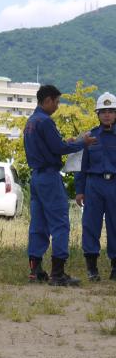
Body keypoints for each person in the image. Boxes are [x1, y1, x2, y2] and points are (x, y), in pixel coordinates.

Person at [24, 84, 94, 286]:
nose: (57, 106)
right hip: (49, 177)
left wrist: (65, 141)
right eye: (56, 101)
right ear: (48, 101)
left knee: (38, 224)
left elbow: (51, 146)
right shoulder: (45, 122)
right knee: (60, 223)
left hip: (36, 177)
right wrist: (82, 142)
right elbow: (59, 148)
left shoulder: (31, 122)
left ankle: (34, 270)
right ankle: (58, 273)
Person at [75, 92, 116, 281]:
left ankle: (115, 267)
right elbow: (81, 167)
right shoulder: (90, 137)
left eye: (111, 111)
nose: (107, 115)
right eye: (103, 111)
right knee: (91, 225)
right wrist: (79, 190)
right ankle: (92, 268)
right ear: (97, 114)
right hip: (94, 184)